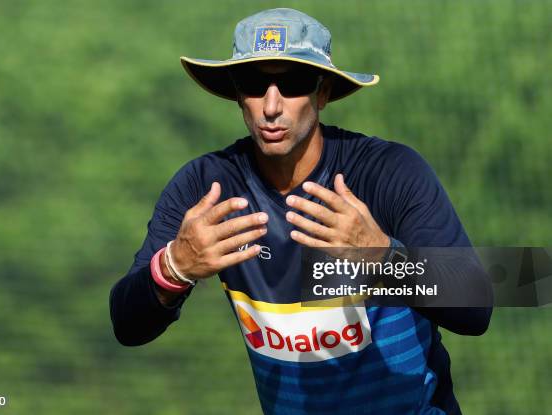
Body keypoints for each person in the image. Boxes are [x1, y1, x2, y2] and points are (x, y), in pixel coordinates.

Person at [110, 8, 492, 415]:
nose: (271, 105)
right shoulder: (207, 189)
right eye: (255, 83)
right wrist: (174, 267)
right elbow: (127, 325)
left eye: (292, 83)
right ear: (238, 94)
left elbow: (476, 307)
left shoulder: (390, 172)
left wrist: (383, 257)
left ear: (322, 93)